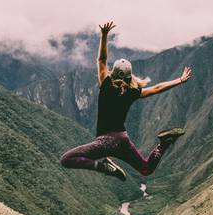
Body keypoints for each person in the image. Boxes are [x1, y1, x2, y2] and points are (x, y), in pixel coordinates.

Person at [60, 21, 192, 181]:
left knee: (66, 159)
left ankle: (103, 166)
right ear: (130, 76)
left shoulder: (106, 84)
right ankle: (164, 143)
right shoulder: (133, 92)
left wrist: (104, 35)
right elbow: (157, 88)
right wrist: (179, 80)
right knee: (145, 169)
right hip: (123, 140)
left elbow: (101, 60)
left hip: (105, 142)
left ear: (112, 73)